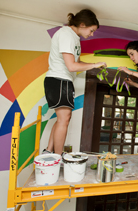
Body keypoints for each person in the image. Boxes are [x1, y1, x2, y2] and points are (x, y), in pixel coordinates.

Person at [43, 9, 107, 155]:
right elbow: (71, 66)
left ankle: (49, 151)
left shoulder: (74, 38)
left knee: (62, 119)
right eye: (91, 30)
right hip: (59, 79)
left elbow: (76, 63)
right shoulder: (66, 34)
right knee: (63, 120)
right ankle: (58, 158)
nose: (91, 34)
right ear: (82, 24)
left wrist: (95, 64)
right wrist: (93, 65)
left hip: (64, 80)